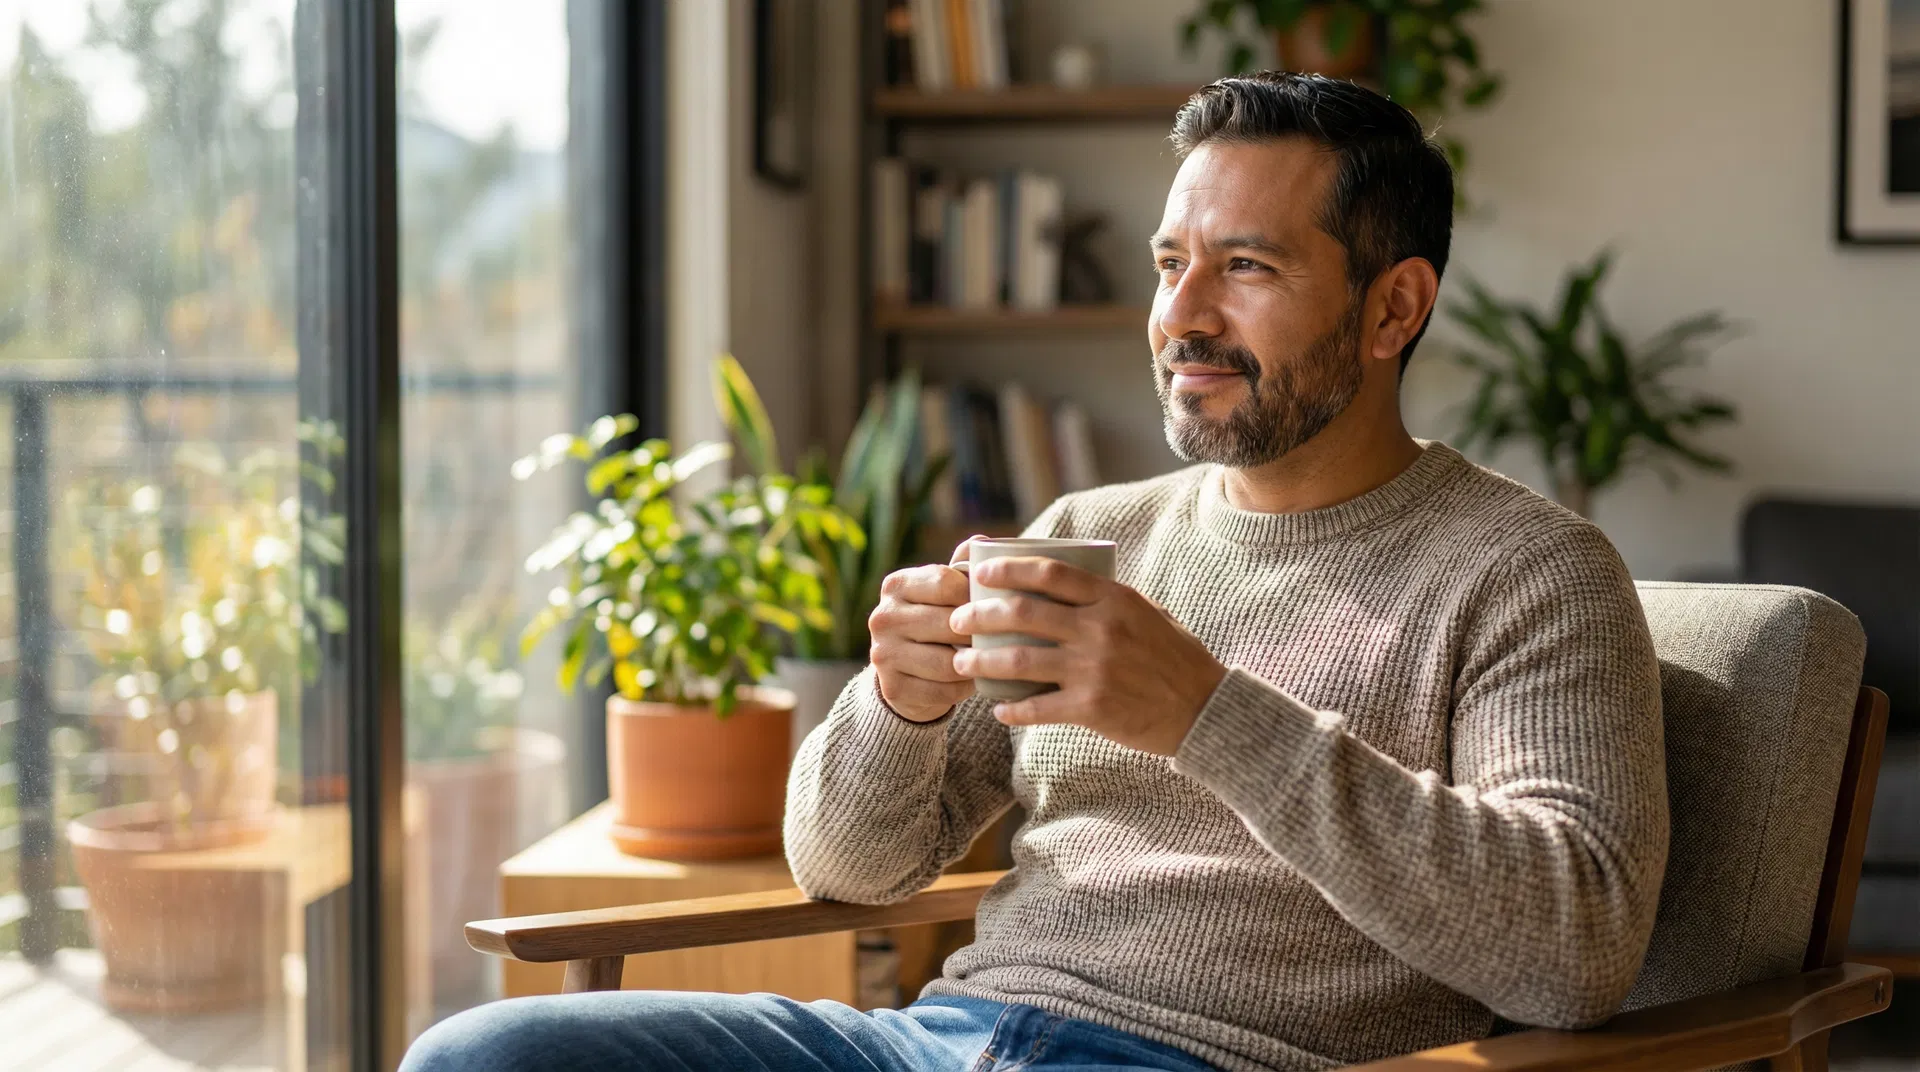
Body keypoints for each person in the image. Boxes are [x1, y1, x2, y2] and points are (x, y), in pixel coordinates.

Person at [401, 71, 1667, 1072]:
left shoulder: (1529, 572)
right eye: (1173, 263)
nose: (1181, 317)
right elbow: (846, 871)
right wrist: (894, 707)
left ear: (1394, 309)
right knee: (483, 1051)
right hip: (936, 1041)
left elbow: (1572, 950)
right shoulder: (1091, 526)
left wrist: (1206, 715)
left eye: (1248, 266)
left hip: (1218, 1060)